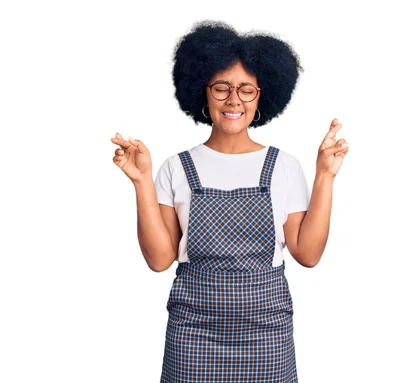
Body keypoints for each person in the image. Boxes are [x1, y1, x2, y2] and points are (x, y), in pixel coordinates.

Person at [110, 20, 349, 382]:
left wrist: (326, 176)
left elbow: (308, 254)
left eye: (246, 90)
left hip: (267, 333)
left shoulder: (285, 166)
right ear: (202, 92)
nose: (234, 99)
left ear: (261, 95)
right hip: (193, 333)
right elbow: (160, 260)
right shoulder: (176, 167)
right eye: (221, 87)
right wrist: (142, 180)